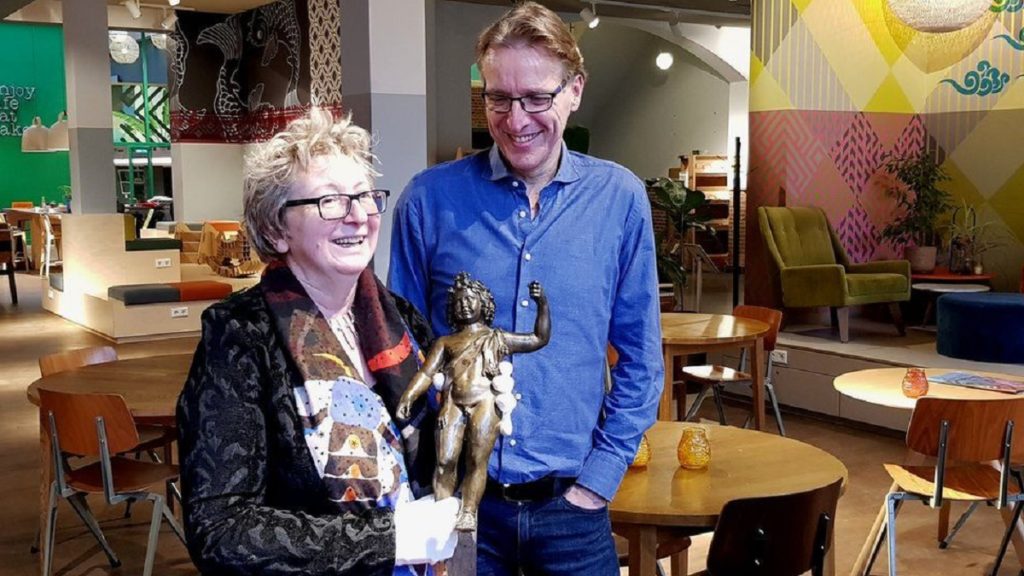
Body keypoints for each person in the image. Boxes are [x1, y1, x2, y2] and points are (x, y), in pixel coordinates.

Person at [388, 2, 664, 574]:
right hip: (457, 511)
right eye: (499, 98)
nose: (516, 120)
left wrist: (598, 480)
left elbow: (642, 359)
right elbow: (402, 355)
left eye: (537, 98)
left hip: (573, 511)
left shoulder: (619, 200)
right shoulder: (429, 200)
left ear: (574, 90)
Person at [176, 109, 459, 576]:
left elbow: (430, 463)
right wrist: (391, 539)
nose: (358, 216)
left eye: (365, 197)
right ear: (275, 229)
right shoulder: (241, 335)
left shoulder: (402, 320)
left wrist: (475, 407)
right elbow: (221, 530)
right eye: (330, 201)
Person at [396, 273, 550, 532]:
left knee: (477, 460)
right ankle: (442, 510)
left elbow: (538, 338)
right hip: (452, 403)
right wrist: (409, 395)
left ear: (484, 303)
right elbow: (426, 373)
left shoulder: (497, 338)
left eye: (470, 299)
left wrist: (542, 303)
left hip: (485, 402)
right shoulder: (445, 342)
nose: (464, 305)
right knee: (444, 460)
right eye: (458, 301)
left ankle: (468, 511)